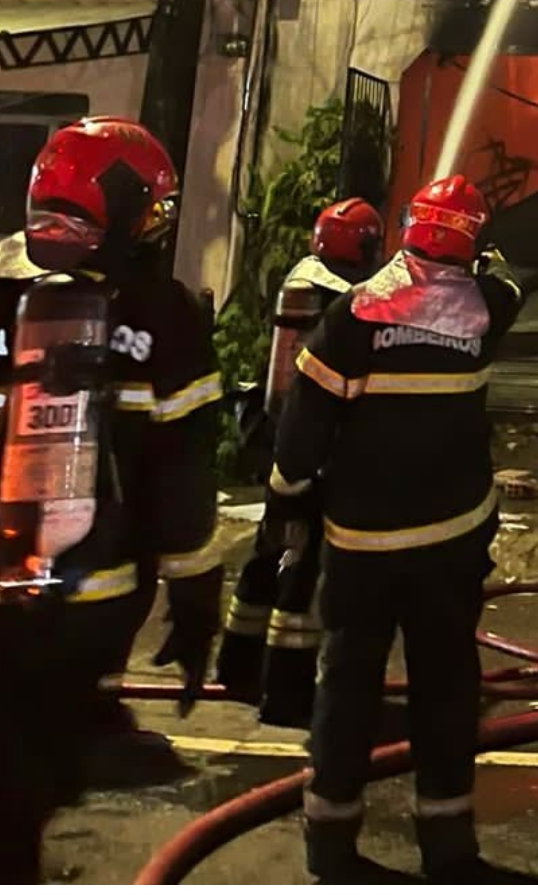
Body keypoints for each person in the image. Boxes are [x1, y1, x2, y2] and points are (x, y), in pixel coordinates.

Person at [0, 118, 225, 882]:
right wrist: (199, 607)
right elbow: (182, 481)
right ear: (122, 204)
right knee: (8, 798)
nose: (156, 229)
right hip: (87, 607)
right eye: (152, 211)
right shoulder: (165, 316)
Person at [273, 174, 524, 881]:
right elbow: (507, 281)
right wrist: (488, 252)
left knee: (347, 688)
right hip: (450, 543)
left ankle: (329, 842)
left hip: (361, 548)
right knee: (446, 689)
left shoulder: (353, 317)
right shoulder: (486, 310)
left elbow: (301, 430)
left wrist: (287, 499)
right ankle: (447, 845)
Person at [220, 198, 387, 728]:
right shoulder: (345, 299)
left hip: (284, 437)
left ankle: (237, 663)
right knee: (304, 561)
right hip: (317, 442)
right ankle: (286, 694)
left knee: (270, 548)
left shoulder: (301, 280)